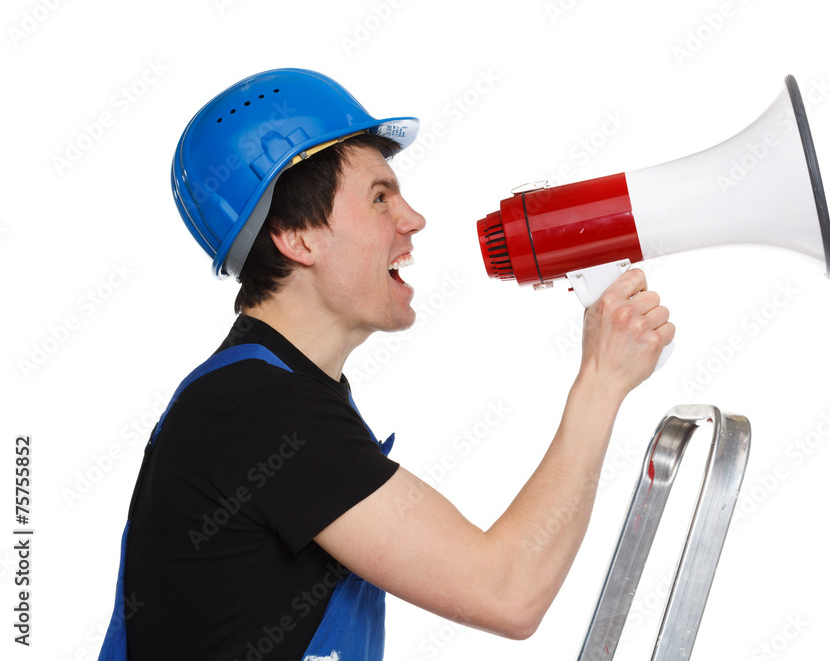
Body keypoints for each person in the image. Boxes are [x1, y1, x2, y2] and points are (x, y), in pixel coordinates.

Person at [101, 68, 674, 661]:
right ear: (296, 236)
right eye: (380, 197)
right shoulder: (263, 412)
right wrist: (602, 382)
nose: (413, 218)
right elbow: (507, 591)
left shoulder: (268, 397)